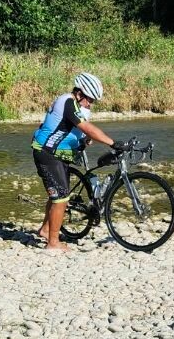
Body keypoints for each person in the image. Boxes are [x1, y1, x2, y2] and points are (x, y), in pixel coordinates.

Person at [31, 71, 119, 253]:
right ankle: (53, 243)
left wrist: (82, 141)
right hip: (47, 154)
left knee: (58, 195)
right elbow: (86, 127)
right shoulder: (68, 102)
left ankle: (46, 230)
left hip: (57, 154)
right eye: (89, 100)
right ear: (79, 94)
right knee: (61, 198)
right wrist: (112, 143)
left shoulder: (72, 103)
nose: (90, 104)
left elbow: (66, 129)